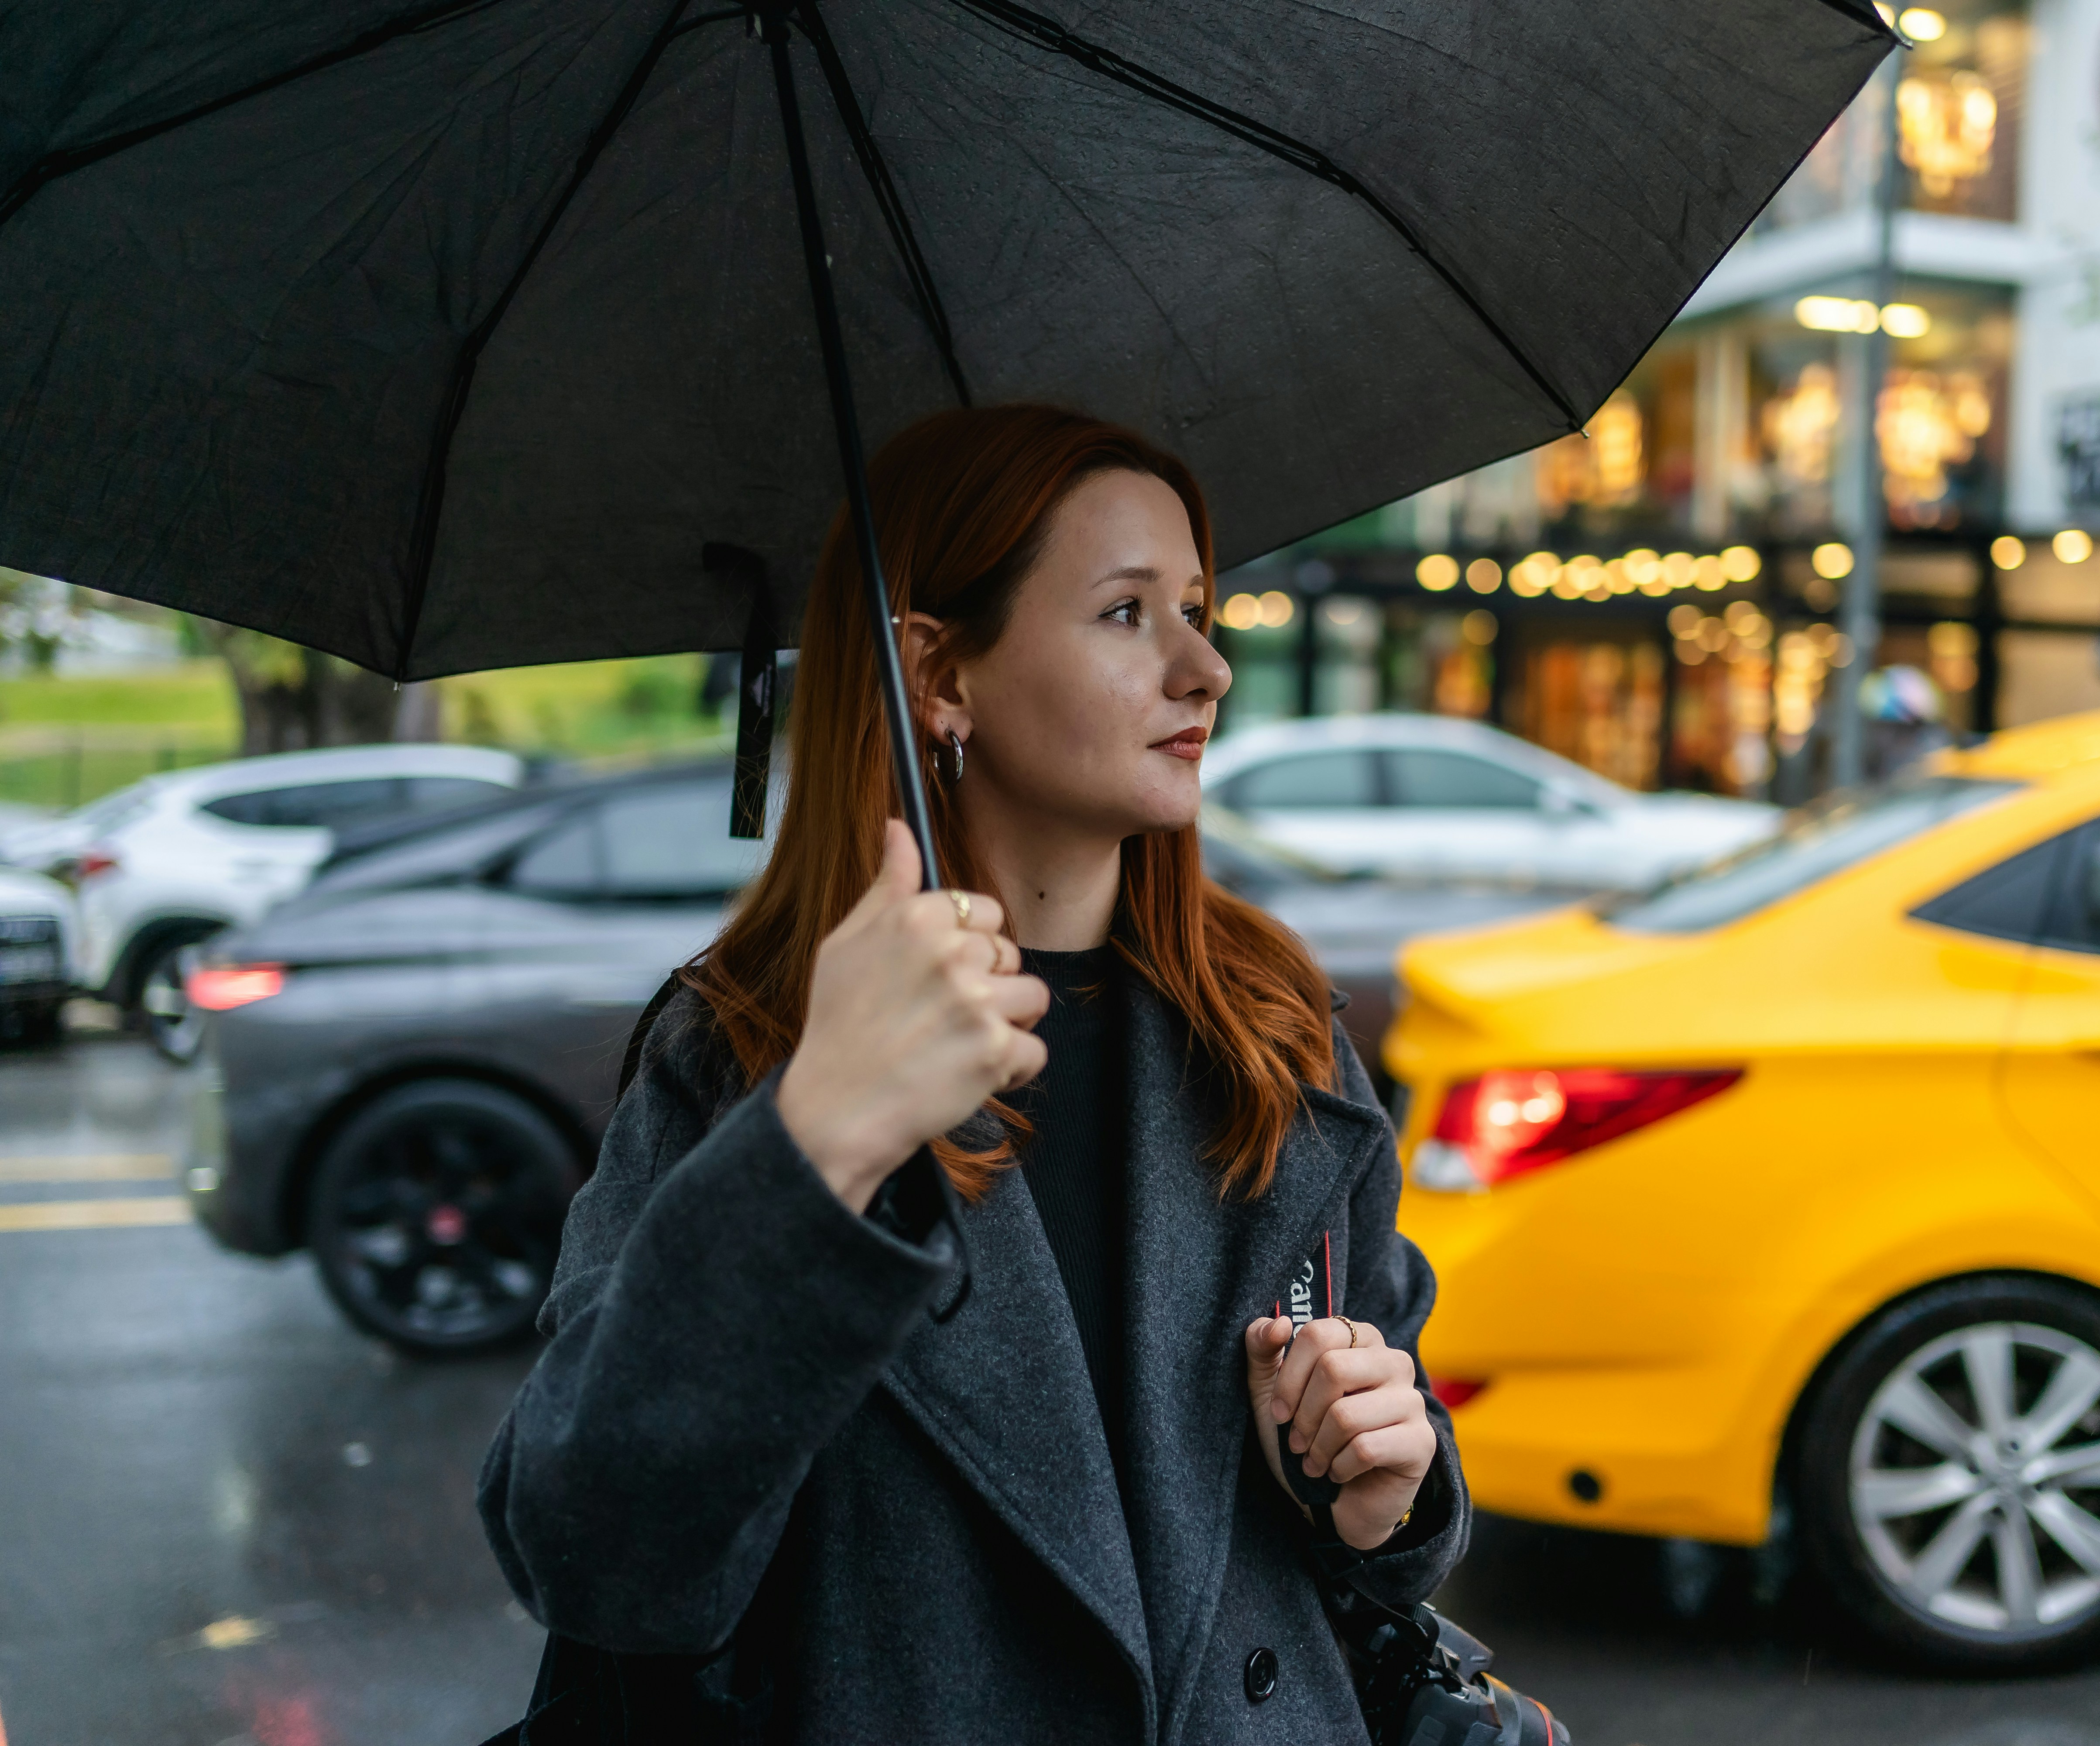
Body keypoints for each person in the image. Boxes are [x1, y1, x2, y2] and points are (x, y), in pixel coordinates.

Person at [478, 405, 1467, 1742]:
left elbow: (1382, 1465)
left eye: (1197, 608)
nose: (1207, 669)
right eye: (1128, 614)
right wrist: (816, 1137)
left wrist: (1386, 1492)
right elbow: (598, 1556)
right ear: (938, 676)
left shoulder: (1273, 1027)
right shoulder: (749, 1048)